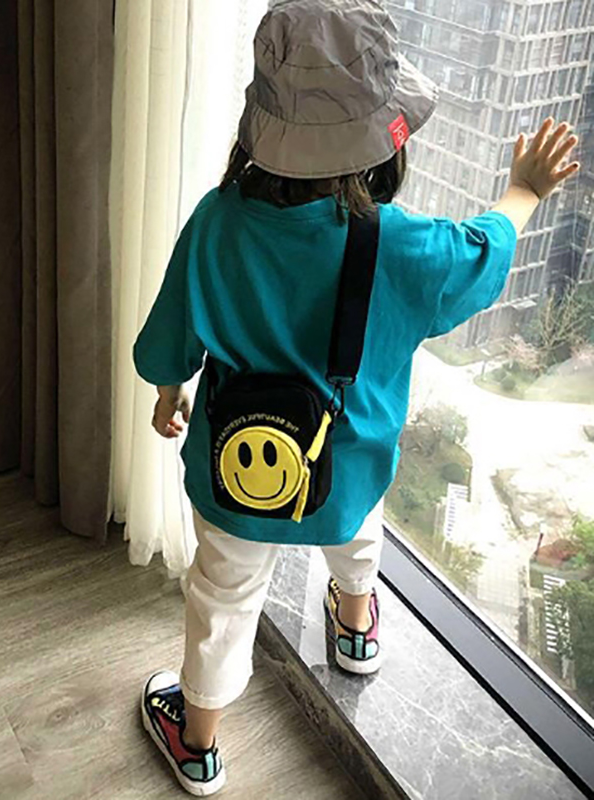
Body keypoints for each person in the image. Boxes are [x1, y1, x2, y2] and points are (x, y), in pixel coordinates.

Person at [132, 0, 580, 795]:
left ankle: (197, 744)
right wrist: (523, 190)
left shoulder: (217, 222)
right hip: (350, 469)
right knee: (359, 540)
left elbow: (174, 327)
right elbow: (483, 253)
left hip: (235, 477)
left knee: (223, 601)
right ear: (380, 143)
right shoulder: (400, 245)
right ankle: (354, 625)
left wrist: (171, 388)